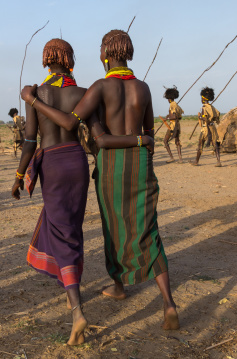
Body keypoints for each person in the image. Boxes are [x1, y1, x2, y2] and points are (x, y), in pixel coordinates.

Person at [20, 30, 179, 332]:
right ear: (128, 54)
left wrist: (31, 99)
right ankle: (168, 302)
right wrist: (138, 140)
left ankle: (118, 285)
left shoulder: (99, 87)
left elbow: (78, 128)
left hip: (108, 164)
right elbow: (148, 136)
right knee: (148, 227)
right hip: (140, 163)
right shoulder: (143, 88)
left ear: (105, 54)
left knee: (114, 225)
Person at [191, 87, 222, 167]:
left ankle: (196, 161)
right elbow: (217, 117)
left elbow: (205, 118)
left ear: (203, 98)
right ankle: (218, 162)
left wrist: (200, 117)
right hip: (213, 128)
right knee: (215, 144)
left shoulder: (204, 108)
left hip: (205, 128)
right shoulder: (213, 108)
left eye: (201, 98)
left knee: (200, 145)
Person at [162, 86, 184, 163]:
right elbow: (179, 117)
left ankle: (172, 157)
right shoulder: (177, 105)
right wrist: (169, 116)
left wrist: (167, 119)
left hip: (173, 126)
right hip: (178, 126)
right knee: (177, 142)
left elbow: (174, 116)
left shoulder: (172, 105)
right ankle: (180, 159)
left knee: (165, 140)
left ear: (169, 98)